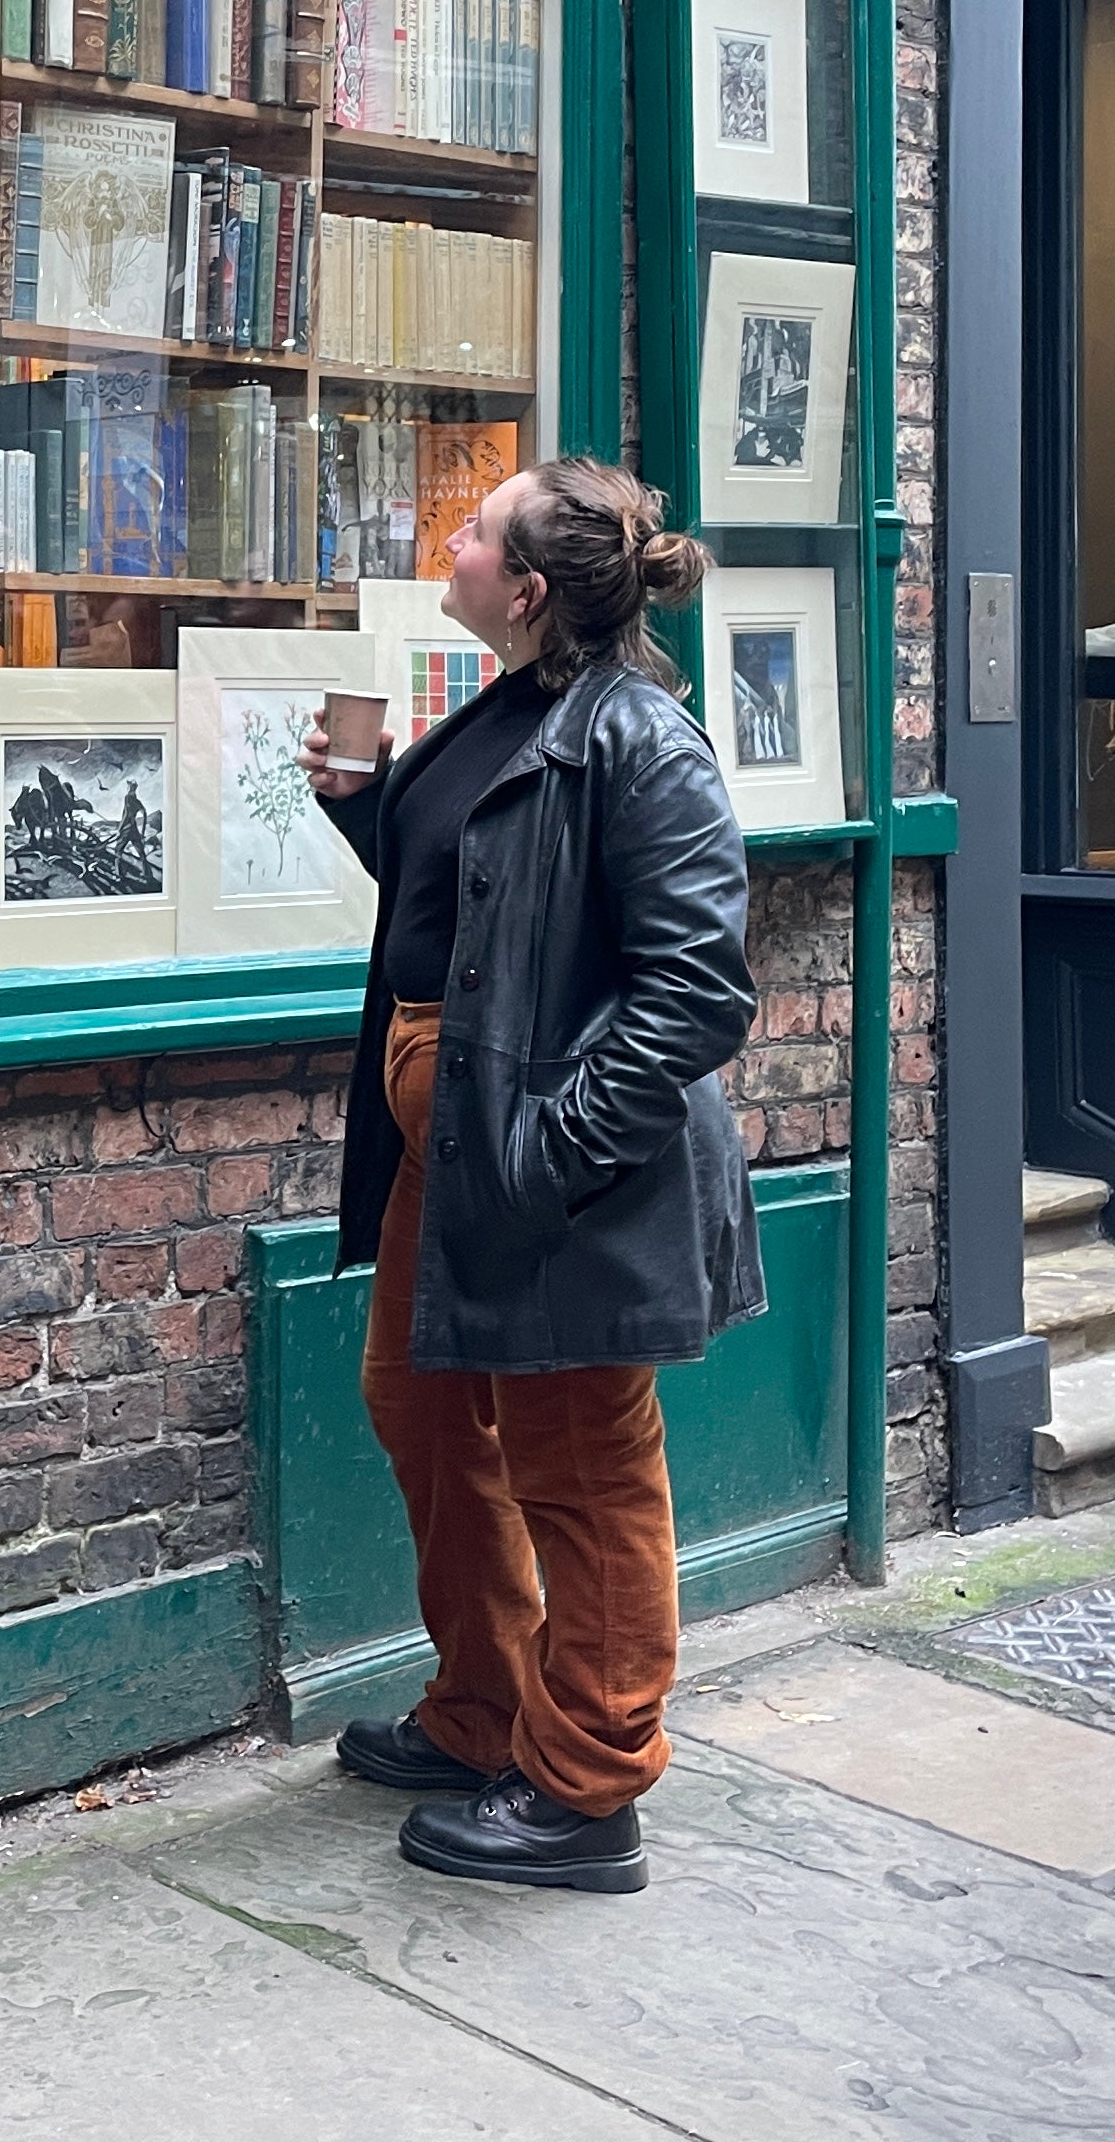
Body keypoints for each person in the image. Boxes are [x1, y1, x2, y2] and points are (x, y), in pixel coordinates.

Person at [297, 457, 762, 1895]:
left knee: (581, 1465)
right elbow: (474, 894)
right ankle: (488, 1705)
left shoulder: (644, 740)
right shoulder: (508, 703)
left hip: (554, 1154)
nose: (452, 534)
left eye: (478, 528)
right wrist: (366, 804)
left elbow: (694, 993)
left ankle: (587, 1783)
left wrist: (546, 1151)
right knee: (421, 1409)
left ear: (531, 586)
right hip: (458, 1133)